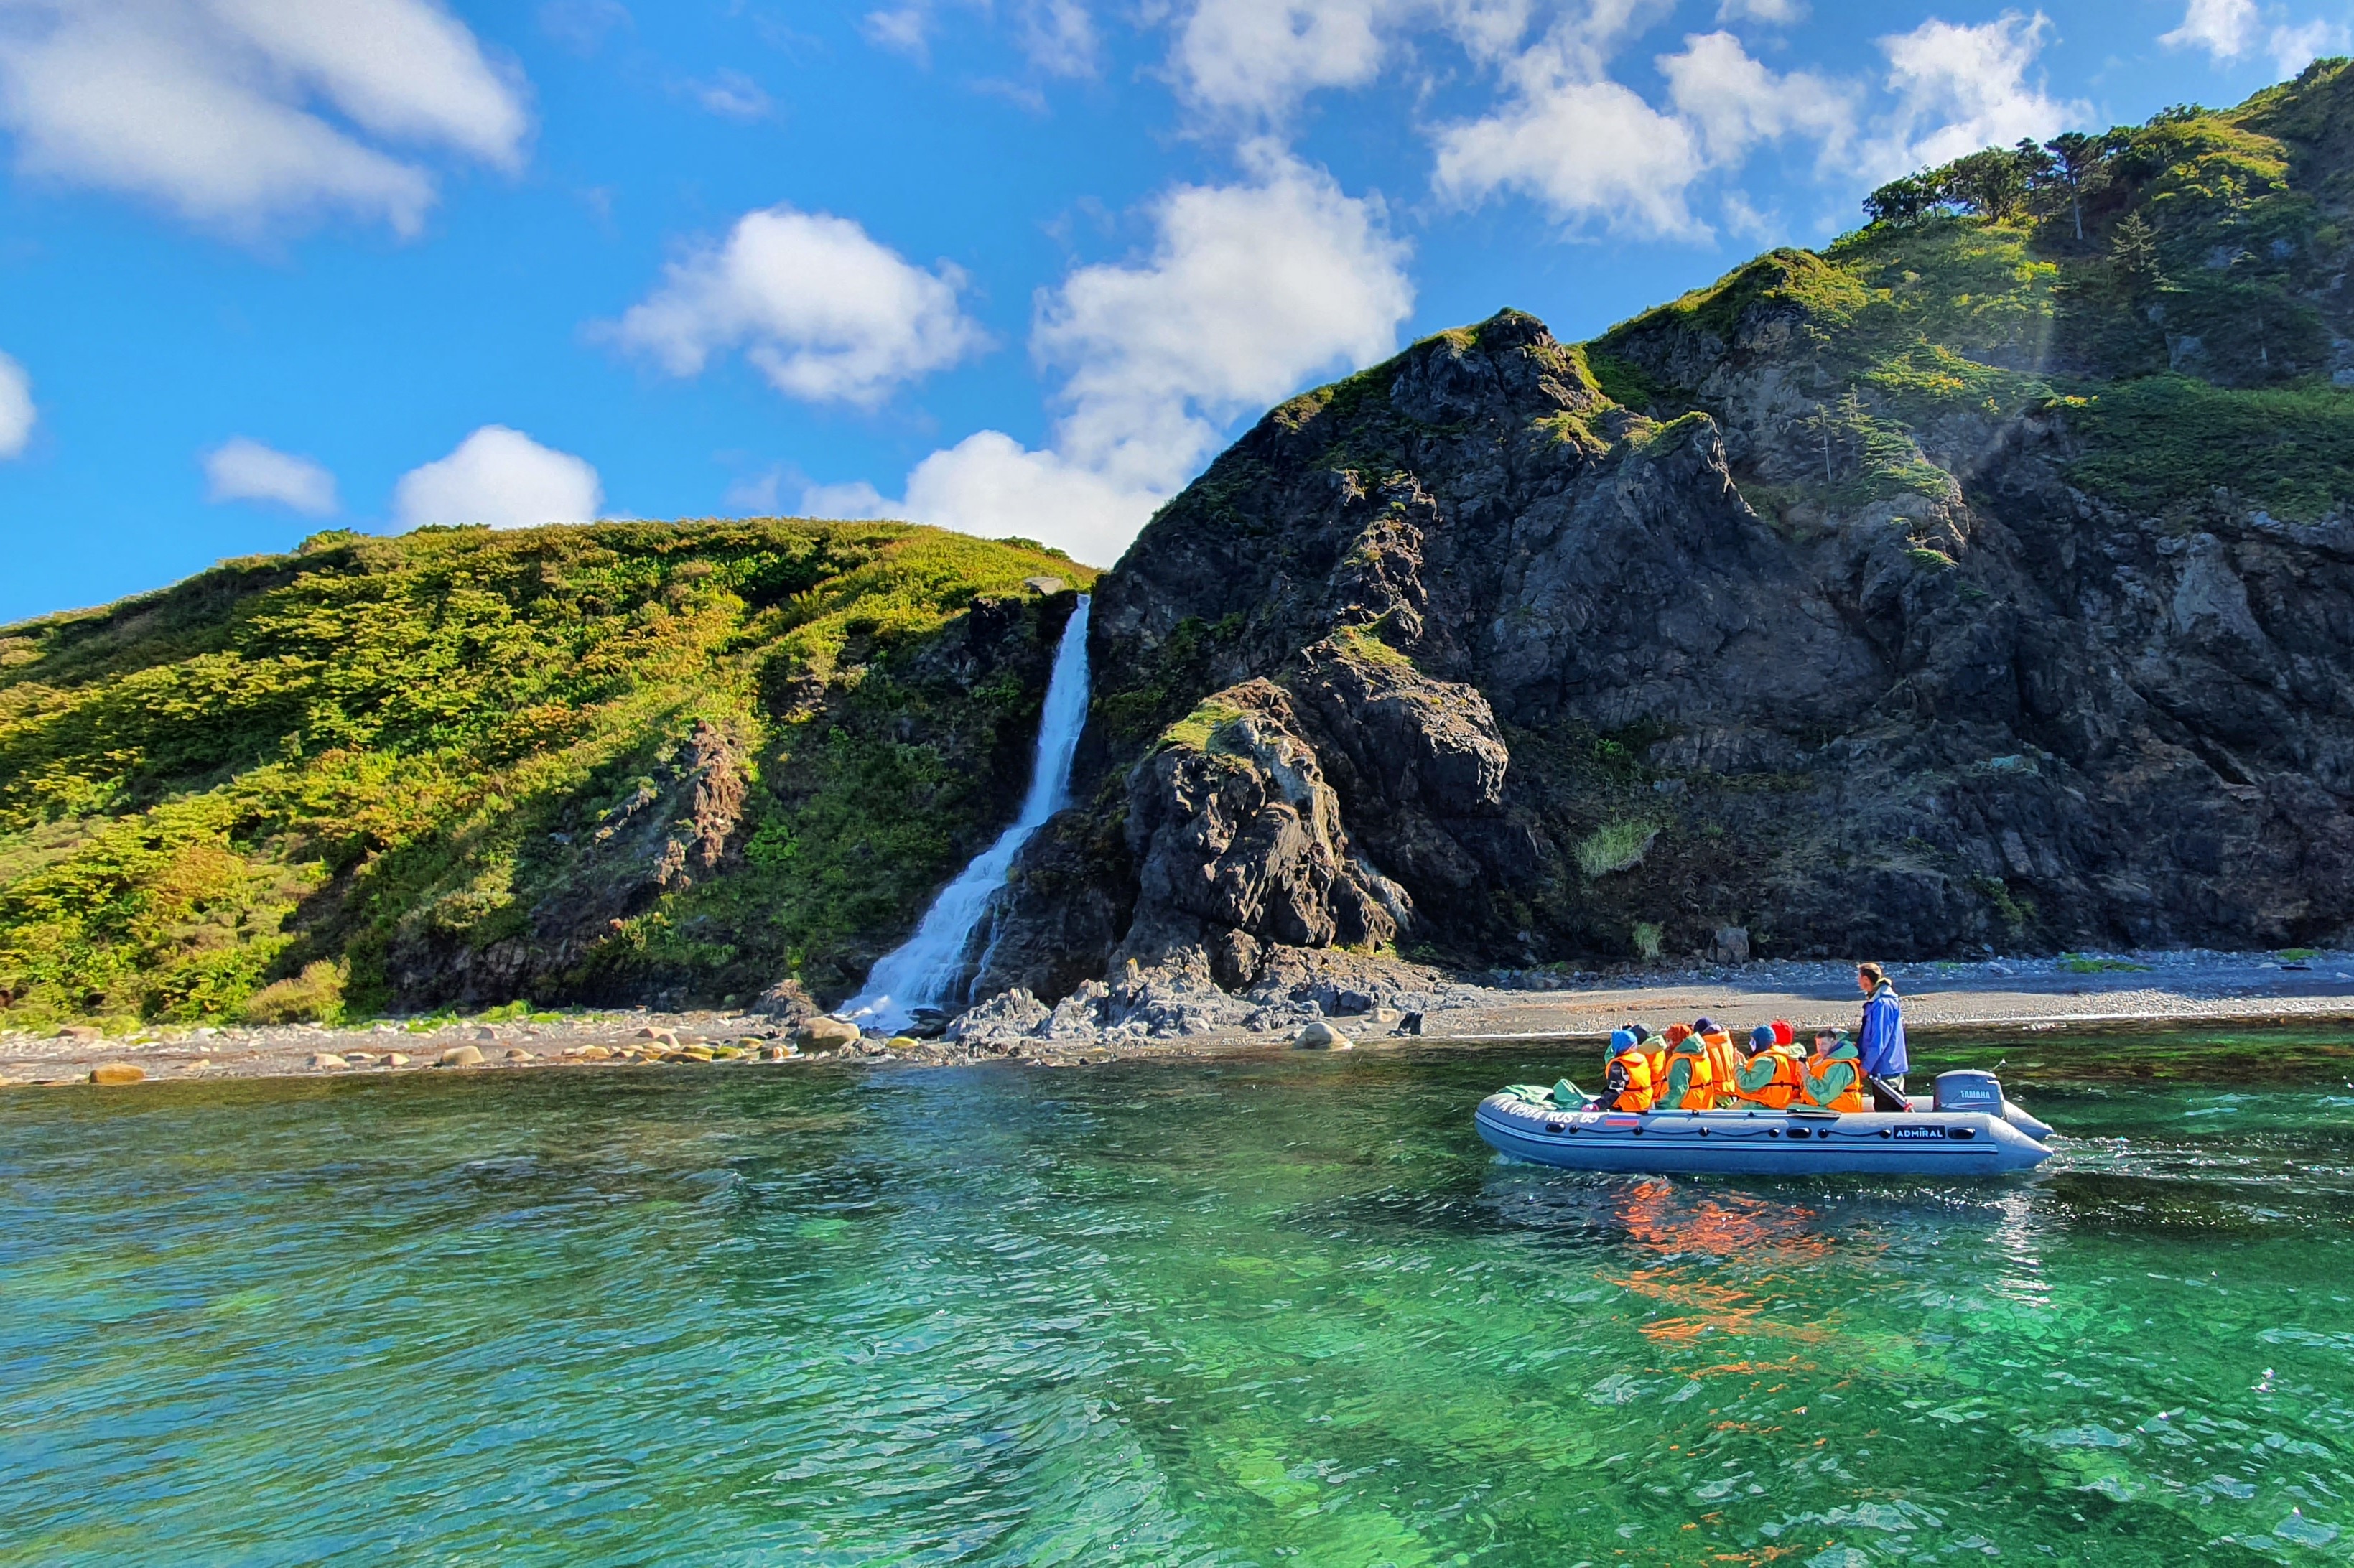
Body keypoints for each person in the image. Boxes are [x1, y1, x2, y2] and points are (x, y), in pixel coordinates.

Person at [1855, 962, 1909, 1097]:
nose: (1858, 981)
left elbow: (1879, 1039)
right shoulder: (1878, 1001)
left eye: (1859, 978)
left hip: (1887, 1069)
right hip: (1883, 1067)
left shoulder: (1882, 1004)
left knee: (1888, 1110)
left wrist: (1865, 1066)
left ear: (1866, 980)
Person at [1728, 1022, 1803, 1109]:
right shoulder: (1786, 1057)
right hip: (1779, 1103)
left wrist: (1738, 1064)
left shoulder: (1766, 1061)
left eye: (1753, 1041)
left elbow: (1747, 1085)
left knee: (1724, 1117)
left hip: (1760, 1105)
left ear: (1760, 1042)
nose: (1751, 1044)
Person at [1800, 1027, 1867, 1112]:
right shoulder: (1821, 1059)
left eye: (1824, 1044)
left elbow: (1825, 1095)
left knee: (1789, 1107)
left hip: (1838, 1110)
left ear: (1835, 1043)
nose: (1821, 1048)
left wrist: (1806, 1076)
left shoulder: (1840, 1065)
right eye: (1819, 1044)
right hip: (1826, 1107)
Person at [1658, 1025, 1720, 1110]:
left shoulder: (1681, 1062)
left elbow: (1679, 1092)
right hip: (1705, 1107)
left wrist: (1661, 1106)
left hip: (1687, 1110)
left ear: (1679, 1040)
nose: (1668, 1044)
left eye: (1671, 1040)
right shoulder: (1701, 1053)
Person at [1602, 1026, 1657, 1112]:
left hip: (1629, 1107)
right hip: (1646, 1102)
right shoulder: (1641, 1058)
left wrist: (1597, 1105)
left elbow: (1615, 1091)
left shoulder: (1618, 1065)